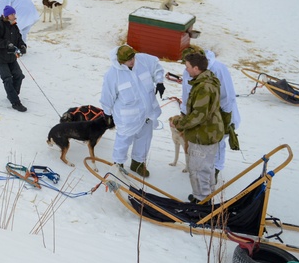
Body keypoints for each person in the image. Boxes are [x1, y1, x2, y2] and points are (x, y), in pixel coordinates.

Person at [99, 44, 164, 177]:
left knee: (145, 139)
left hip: (147, 113)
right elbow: (107, 95)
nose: (132, 61)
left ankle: (137, 163)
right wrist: (107, 113)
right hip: (128, 117)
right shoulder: (113, 74)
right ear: (120, 61)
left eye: (133, 57)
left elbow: (157, 67)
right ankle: (118, 165)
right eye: (129, 60)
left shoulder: (143, 60)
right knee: (123, 141)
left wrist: (159, 82)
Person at [180, 46, 241, 181]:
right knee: (201, 144)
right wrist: (184, 112)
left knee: (217, 143)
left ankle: (216, 169)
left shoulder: (218, 69)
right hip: (198, 116)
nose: (185, 68)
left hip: (217, 115)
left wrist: (225, 119)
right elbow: (186, 92)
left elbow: (228, 96)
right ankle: (203, 172)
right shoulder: (189, 70)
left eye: (187, 65)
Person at [173, 52, 225, 203]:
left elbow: (198, 115)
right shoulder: (209, 80)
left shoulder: (203, 87)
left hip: (202, 134)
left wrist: (179, 123)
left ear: (196, 68)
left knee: (197, 169)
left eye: (188, 67)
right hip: (211, 132)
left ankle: (201, 202)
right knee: (207, 167)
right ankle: (206, 196)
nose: (186, 69)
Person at [0, 5, 27, 112]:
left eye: (14, 14)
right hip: (0, 58)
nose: (14, 16)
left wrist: (23, 46)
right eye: (12, 14)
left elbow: (19, 39)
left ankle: (12, 94)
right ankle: (15, 102)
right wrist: (6, 44)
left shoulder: (14, 26)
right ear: (6, 16)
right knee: (7, 79)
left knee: (19, 75)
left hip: (11, 57)